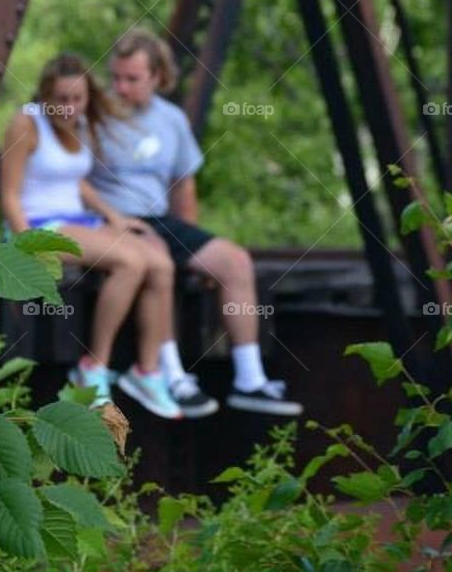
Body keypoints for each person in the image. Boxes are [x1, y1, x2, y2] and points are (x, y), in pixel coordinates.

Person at [87, 30, 303, 418]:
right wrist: (107, 219)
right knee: (157, 261)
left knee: (235, 261)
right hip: (112, 220)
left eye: (132, 79)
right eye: (116, 77)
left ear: (157, 77)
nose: (121, 87)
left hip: (162, 218)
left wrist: (193, 255)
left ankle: (250, 381)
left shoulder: (171, 120)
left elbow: (183, 186)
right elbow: (74, 179)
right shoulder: (96, 115)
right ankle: (171, 376)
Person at [0, 53, 181, 420]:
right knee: (130, 260)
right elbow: (9, 195)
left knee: (160, 262)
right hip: (39, 225)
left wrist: (113, 215)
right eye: (61, 99)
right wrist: (23, 246)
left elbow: (74, 178)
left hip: (78, 220)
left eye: (77, 99)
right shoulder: (26, 123)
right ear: (45, 96)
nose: (69, 107)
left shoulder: (79, 124)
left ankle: (148, 371)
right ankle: (93, 367)